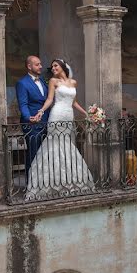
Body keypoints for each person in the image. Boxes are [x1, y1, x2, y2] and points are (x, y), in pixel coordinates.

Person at [25, 59, 93, 200]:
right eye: (52, 66)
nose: (53, 68)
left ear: (63, 67)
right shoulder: (53, 81)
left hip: (68, 115)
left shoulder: (73, 82)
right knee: (53, 145)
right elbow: (50, 100)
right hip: (56, 114)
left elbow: (74, 102)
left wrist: (86, 113)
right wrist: (41, 111)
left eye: (56, 66)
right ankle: (50, 183)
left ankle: (68, 181)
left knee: (66, 145)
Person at [15, 55, 50, 174]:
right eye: (37, 64)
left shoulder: (43, 81)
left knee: (46, 154)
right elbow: (23, 104)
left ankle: (44, 182)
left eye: (40, 64)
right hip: (32, 124)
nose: (40, 66)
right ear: (29, 66)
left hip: (47, 122)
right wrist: (27, 117)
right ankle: (31, 184)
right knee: (33, 153)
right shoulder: (22, 83)